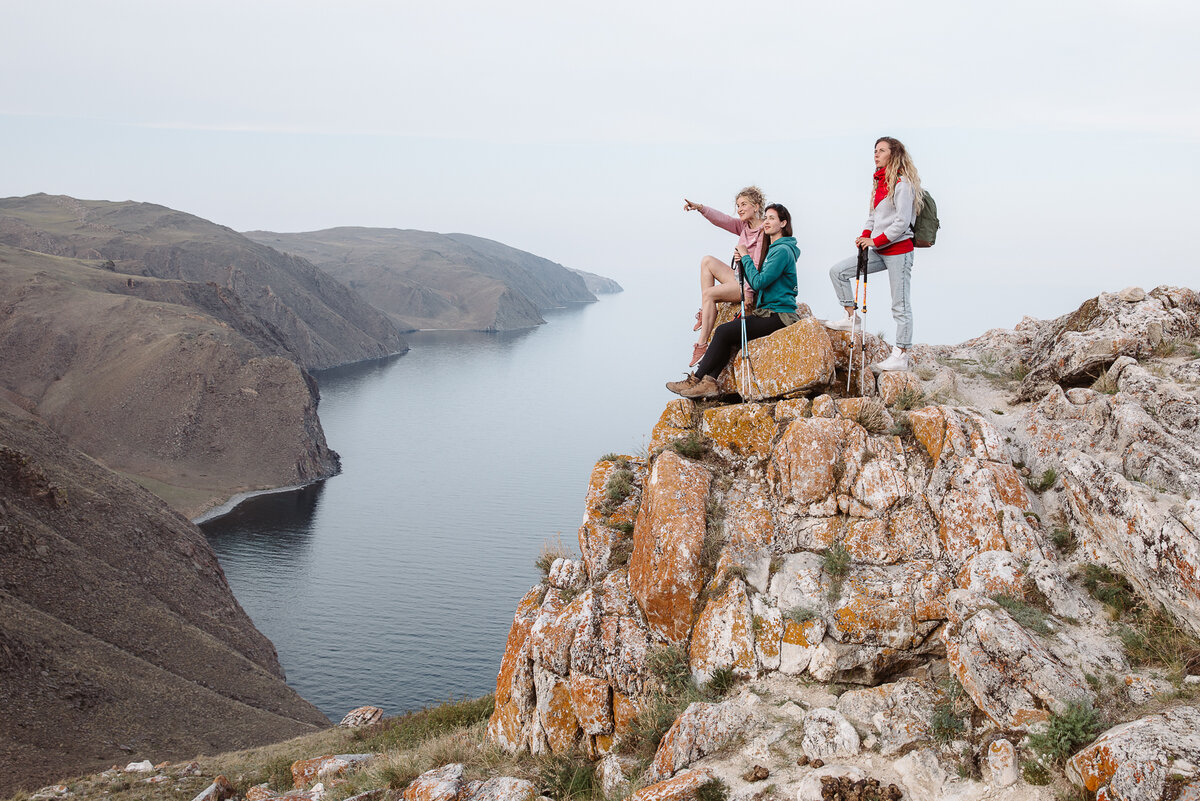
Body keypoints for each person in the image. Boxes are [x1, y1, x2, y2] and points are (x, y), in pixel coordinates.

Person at [666, 204, 799, 399]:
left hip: (779, 315)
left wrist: (745, 256)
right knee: (730, 336)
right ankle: (709, 382)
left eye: (772, 218)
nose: (767, 222)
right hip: (770, 312)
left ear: (783, 223)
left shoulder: (782, 251)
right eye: (766, 218)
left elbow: (759, 282)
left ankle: (696, 379)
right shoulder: (776, 249)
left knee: (722, 331)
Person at [824, 137, 924, 372]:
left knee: (900, 304)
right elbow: (873, 217)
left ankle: (901, 354)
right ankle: (851, 317)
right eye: (875, 151)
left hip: (899, 250)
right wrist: (864, 237)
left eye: (881, 151)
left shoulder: (903, 184)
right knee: (838, 271)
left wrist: (874, 240)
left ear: (894, 154)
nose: (876, 154)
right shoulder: (879, 183)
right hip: (879, 249)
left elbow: (901, 223)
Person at [682, 186, 766, 366]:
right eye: (738, 205)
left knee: (709, 294)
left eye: (744, 204)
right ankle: (706, 311)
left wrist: (749, 293)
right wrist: (700, 208)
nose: (740, 209)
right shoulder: (744, 226)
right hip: (738, 278)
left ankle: (702, 344)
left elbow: (757, 265)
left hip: (749, 283)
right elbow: (722, 220)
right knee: (707, 261)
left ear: (756, 206)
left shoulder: (763, 232)